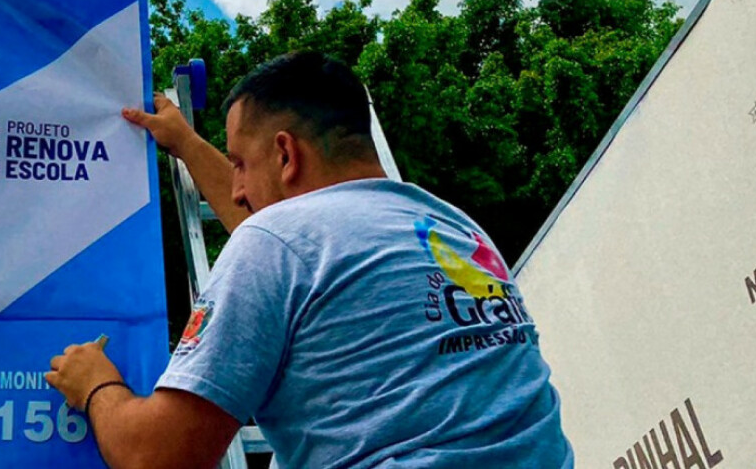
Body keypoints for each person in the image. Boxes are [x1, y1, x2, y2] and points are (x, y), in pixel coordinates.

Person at [46, 52, 574, 468]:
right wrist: (186, 143)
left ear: (285, 154)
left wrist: (96, 385)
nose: (236, 189)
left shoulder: (278, 243)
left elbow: (157, 457)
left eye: (239, 164)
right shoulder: (454, 230)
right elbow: (293, 245)